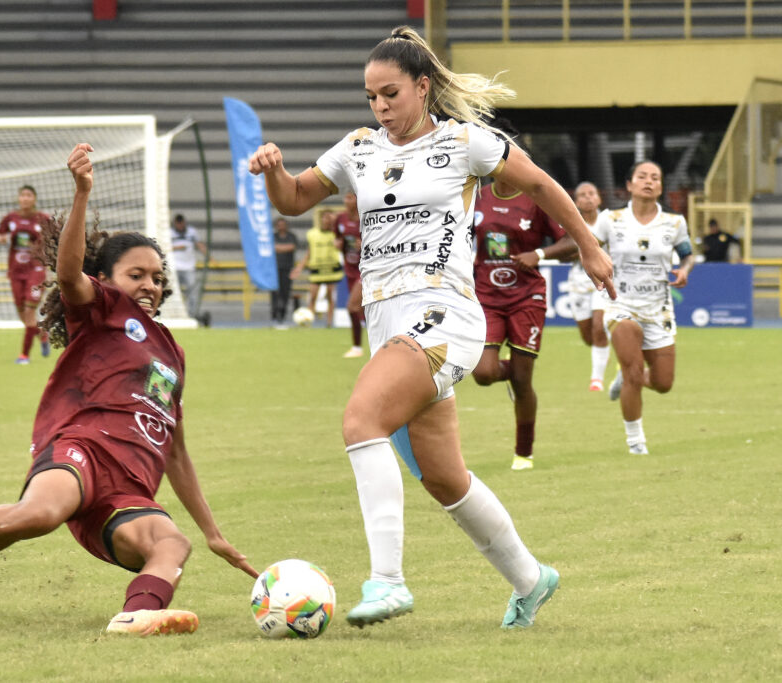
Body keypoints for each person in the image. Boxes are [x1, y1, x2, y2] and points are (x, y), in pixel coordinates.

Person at [248, 26, 614, 630]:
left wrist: (590, 247)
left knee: (361, 420)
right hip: (388, 321)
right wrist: (273, 169)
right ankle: (531, 579)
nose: (380, 107)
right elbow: (293, 199)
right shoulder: (358, 148)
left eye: (390, 94)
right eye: (371, 97)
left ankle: (387, 582)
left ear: (422, 87)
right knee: (445, 478)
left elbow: (540, 183)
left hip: (445, 313)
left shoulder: (465, 142)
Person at [0, 143, 258, 637]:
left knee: (172, 544)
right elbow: (68, 274)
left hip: (129, 490)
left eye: (158, 278)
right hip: (81, 451)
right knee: (39, 515)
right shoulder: (101, 309)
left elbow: (177, 453)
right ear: (105, 279)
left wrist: (213, 534)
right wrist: (82, 192)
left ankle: (136, 615)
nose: (150, 284)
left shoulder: (173, 353)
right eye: (136, 275)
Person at [470, 158, 578, 471]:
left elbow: (572, 241)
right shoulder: (475, 197)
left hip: (526, 298)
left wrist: (539, 253)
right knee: (483, 373)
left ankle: (523, 453)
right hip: (486, 297)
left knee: (522, 381)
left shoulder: (537, 199)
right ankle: (511, 371)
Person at [599, 161, 694, 455]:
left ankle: (625, 376)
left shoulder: (674, 223)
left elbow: (688, 255)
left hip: (658, 310)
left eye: (655, 177)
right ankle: (635, 442)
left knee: (664, 383)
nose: (649, 181)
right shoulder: (610, 219)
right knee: (634, 371)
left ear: (661, 186)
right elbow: (590, 247)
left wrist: (684, 270)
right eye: (642, 177)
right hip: (621, 305)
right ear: (629, 184)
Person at [0, 185, 51, 364]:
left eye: (29, 195)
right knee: (23, 316)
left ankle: (24, 355)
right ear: (19, 198)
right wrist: (2, 238)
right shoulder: (11, 218)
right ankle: (43, 335)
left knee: (29, 312)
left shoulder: (43, 219)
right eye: (23, 195)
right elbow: (0, 234)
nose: (26, 198)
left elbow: (54, 237)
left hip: (36, 271)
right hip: (16, 271)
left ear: (34, 199)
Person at [565, 182, 612, 392]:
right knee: (588, 336)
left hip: (604, 279)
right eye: (582, 195)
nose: (588, 198)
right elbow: (564, 251)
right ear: (576, 202)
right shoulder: (570, 223)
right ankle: (605, 350)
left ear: (599, 198)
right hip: (579, 281)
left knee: (599, 327)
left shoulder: (609, 221)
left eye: (592, 193)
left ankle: (596, 380)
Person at [291, 210, 343, 327]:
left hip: (331, 269)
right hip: (317, 269)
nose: (327, 220)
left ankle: (329, 323)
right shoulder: (312, 234)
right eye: (325, 217)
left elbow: (342, 249)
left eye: (329, 218)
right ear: (321, 219)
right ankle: (309, 321)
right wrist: (299, 267)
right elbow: (309, 252)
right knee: (313, 297)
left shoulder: (336, 234)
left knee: (330, 297)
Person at [334, 192, 365, 357]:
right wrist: (338, 244)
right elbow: (337, 239)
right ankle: (359, 347)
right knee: (362, 311)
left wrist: (365, 244)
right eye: (346, 197)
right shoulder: (340, 219)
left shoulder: (366, 218)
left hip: (365, 269)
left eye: (350, 197)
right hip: (350, 269)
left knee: (352, 307)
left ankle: (357, 348)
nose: (346, 200)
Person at [170, 213, 207, 318]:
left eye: (182, 223)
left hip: (189, 268)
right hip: (174, 268)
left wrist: (209, 257)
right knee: (172, 292)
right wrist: (178, 248)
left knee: (192, 292)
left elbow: (199, 244)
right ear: (175, 224)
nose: (180, 226)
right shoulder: (169, 233)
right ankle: (173, 314)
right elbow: (164, 247)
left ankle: (192, 314)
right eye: (178, 224)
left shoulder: (192, 232)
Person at [270, 217, 298, 327]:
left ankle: (282, 315)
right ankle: (274, 315)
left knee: (285, 293)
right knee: (274, 293)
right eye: (279, 224)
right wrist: (284, 248)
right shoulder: (273, 236)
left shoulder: (291, 236)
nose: (281, 226)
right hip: (274, 268)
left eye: (283, 224)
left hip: (287, 268)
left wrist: (278, 248)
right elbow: (271, 248)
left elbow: (292, 247)